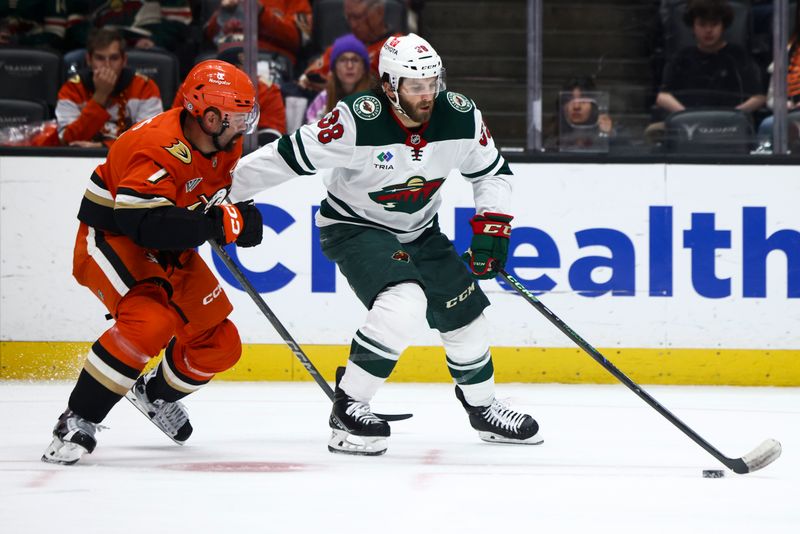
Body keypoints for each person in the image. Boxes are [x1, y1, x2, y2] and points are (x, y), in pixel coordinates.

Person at [230, 33, 542, 456]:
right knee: (404, 301)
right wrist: (224, 191)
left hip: (420, 229)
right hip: (354, 227)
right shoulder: (356, 120)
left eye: (433, 83)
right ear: (391, 86)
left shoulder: (461, 116)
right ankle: (350, 406)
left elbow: (492, 172)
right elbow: (285, 156)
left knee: (465, 313)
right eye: (416, 86)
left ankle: (483, 407)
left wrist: (493, 224)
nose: (428, 94)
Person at [41, 60, 264, 465]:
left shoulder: (222, 143)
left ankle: (154, 393)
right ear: (210, 116)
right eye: (237, 115)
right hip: (114, 239)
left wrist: (235, 214)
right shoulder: (157, 145)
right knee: (151, 322)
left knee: (220, 344)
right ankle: (77, 419)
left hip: (166, 248)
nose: (244, 124)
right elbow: (140, 221)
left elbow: (204, 197)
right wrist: (217, 223)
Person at [55, 28, 163, 148]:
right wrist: (100, 97)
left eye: (114, 58)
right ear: (89, 60)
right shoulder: (72, 89)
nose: (107, 65)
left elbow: (148, 140)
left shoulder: (145, 87)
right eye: (100, 58)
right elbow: (67, 141)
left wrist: (103, 146)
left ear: (124, 60)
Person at [654, 0, 765, 115]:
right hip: (688, 123)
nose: (708, 30)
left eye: (714, 24)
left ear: (723, 26)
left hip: (730, 124)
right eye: (702, 24)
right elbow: (662, 95)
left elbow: (759, 97)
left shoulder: (738, 55)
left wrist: (734, 114)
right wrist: (685, 114)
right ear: (693, 27)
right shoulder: (682, 57)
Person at [172, 47, 287, 142]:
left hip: (245, 154)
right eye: (236, 70)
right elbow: (177, 124)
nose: (243, 75)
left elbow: (272, 134)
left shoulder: (267, 90)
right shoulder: (192, 88)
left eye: (246, 69)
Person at [298, 0, 402, 92]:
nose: (353, 24)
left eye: (357, 17)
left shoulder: (398, 48)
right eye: (348, 18)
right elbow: (308, 76)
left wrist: (339, 86)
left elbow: (396, 91)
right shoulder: (344, 45)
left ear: (379, 12)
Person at [203, 0, 312, 66]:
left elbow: (299, 40)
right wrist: (223, 14)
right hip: (226, 58)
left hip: (268, 59)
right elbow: (209, 36)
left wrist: (261, 13)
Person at [304, 33, 374, 123]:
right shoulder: (323, 99)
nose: (349, 66)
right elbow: (310, 131)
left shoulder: (375, 100)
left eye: (355, 60)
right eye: (343, 60)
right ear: (334, 68)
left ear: (364, 68)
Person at [544, 76, 617, 152]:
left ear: (594, 105)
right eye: (570, 99)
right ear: (563, 105)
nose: (576, 106)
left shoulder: (609, 133)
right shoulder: (552, 141)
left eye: (583, 100)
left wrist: (609, 134)